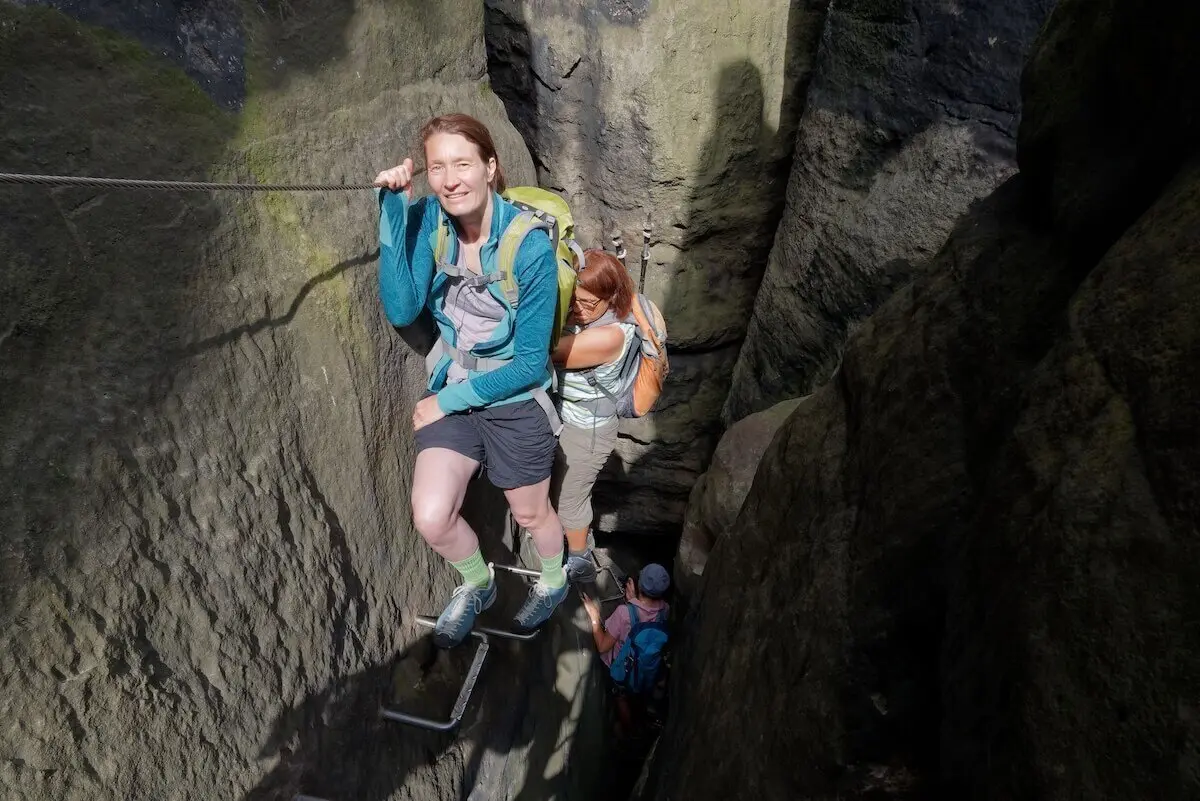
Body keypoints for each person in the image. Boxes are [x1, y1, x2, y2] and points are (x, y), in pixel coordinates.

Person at [374, 113, 569, 647]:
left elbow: (530, 363)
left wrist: (447, 401)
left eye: (462, 164)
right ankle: (478, 583)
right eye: (437, 167)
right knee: (432, 516)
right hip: (455, 388)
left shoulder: (527, 246)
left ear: (490, 167)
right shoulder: (431, 221)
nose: (450, 179)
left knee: (531, 512)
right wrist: (392, 209)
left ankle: (553, 581)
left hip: (514, 397)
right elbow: (401, 305)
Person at [550, 249, 639, 583]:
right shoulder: (596, 316)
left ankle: (580, 561)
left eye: (589, 304)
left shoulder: (608, 336)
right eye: (575, 300)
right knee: (564, 491)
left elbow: (545, 350)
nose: (579, 310)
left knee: (569, 501)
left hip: (586, 431)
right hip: (568, 418)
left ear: (611, 298)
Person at [581, 563, 671, 735]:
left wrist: (594, 616)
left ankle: (629, 732)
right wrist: (634, 602)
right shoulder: (665, 609)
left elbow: (602, 646)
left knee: (621, 696)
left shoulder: (624, 613)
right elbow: (645, 616)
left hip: (623, 668)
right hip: (648, 667)